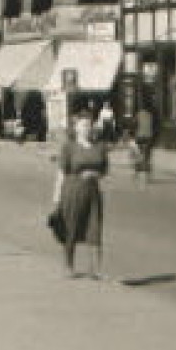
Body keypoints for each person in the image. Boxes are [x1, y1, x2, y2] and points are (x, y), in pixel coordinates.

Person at [52, 111, 109, 279]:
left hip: (93, 191)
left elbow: (104, 170)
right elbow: (61, 173)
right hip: (72, 190)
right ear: (76, 128)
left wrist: (95, 174)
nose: (87, 128)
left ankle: (96, 270)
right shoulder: (69, 147)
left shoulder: (100, 146)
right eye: (83, 125)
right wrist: (56, 198)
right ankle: (68, 267)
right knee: (71, 227)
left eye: (89, 125)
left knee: (95, 228)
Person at [133, 102, 156, 184]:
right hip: (149, 136)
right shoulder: (150, 115)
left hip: (140, 137)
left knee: (138, 154)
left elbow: (134, 124)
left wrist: (133, 134)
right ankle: (148, 175)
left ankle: (137, 172)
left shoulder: (138, 114)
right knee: (147, 156)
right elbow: (154, 126)